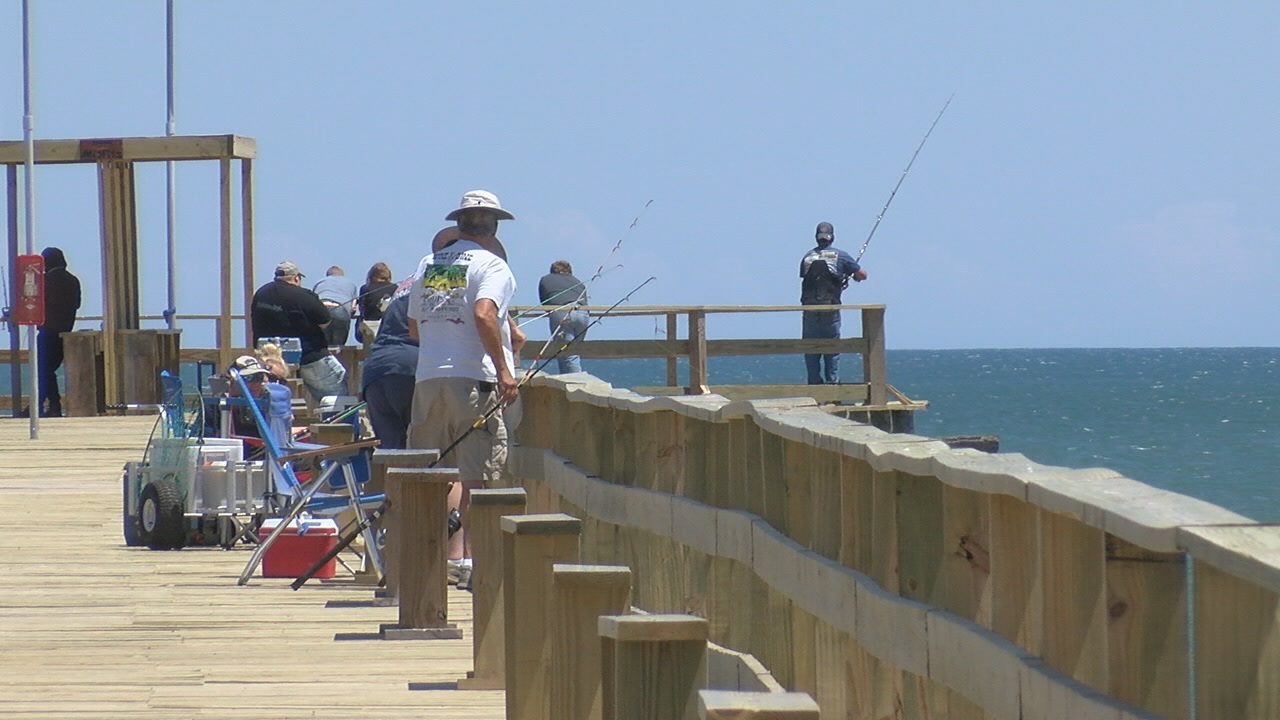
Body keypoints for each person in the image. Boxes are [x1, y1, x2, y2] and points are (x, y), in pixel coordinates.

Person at [407, 190, 521, 590]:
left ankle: (425, 564)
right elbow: (483, 313)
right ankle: (473, 561)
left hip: (428, 379)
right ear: (493, 227)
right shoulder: (493, 265)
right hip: (473, 380)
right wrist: (505, 371)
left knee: (426, 474)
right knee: (480, 476)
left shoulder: (428, 264)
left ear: (459, 224)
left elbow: (414, 326)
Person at [251, 261, 347, 402]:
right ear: (296, 278)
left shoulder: (260, 294)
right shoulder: (303, 295)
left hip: (269, 359)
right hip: (308, 356)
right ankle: (338, 420)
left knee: (268, 399)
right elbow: (325, 321)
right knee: (337, 391)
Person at [799, 222, 867, 385]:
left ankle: (814, 387)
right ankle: (832, 387)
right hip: (830, 309)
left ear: (816, 238)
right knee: (832, 349)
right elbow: (862, 275)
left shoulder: (807, 257)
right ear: (832, 237)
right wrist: (849, 277)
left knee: (810, 350)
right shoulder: (840, 256)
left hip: (809, 311)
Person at [22, 247, 82, 417]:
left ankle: (46, 405)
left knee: (43, 369)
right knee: (48, 370)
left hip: (48, 331)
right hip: (66, 331)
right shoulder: (73, 280)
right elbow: (77, 304)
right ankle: (48, 405)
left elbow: (34, 301)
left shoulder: (45, 280)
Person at [537, 260, 589, 373]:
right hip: (583, 313)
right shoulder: (579, 282)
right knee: (572, 352)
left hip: (562, 312)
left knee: (567, 353)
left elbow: (544, 302)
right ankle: (568, 379)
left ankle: (576, 383)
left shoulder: (546, 279)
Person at [312, 266, 359, 346]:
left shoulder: (319, 282)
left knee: (321, 344)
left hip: (321, 308)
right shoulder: (351, 284)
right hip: (340, 309)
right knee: (338, 345)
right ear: (342, 275)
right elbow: (353, 307)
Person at [355, 262, 396, 344]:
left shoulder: (365, 288)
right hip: (390, 326)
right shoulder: (395, 288)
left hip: (369, 325)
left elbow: (362, 308)